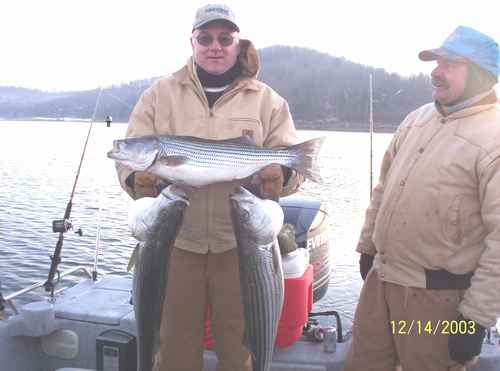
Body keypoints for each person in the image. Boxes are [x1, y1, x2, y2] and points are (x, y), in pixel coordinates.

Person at [115, 4, 303, 371]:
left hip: (241, 246)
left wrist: (281, 172)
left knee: (238, 348)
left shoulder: (267, 100)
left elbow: (293, 174)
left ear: (237, 43)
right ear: (192, 42)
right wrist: (136, 180)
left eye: (224, 38)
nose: (214, 46)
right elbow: (128, 158)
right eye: (205, 38)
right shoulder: (159, 94)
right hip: (176, 244)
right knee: (173, 350)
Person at [344, 26, 500, 371]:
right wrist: (367, 246)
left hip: (438, 304)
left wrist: (475, 318)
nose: (436, 71)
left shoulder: (494, 138)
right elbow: (383, 190)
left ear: (480, 74)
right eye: (436, 62)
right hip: (380, 285)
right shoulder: (417, 119)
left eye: (449, 64)